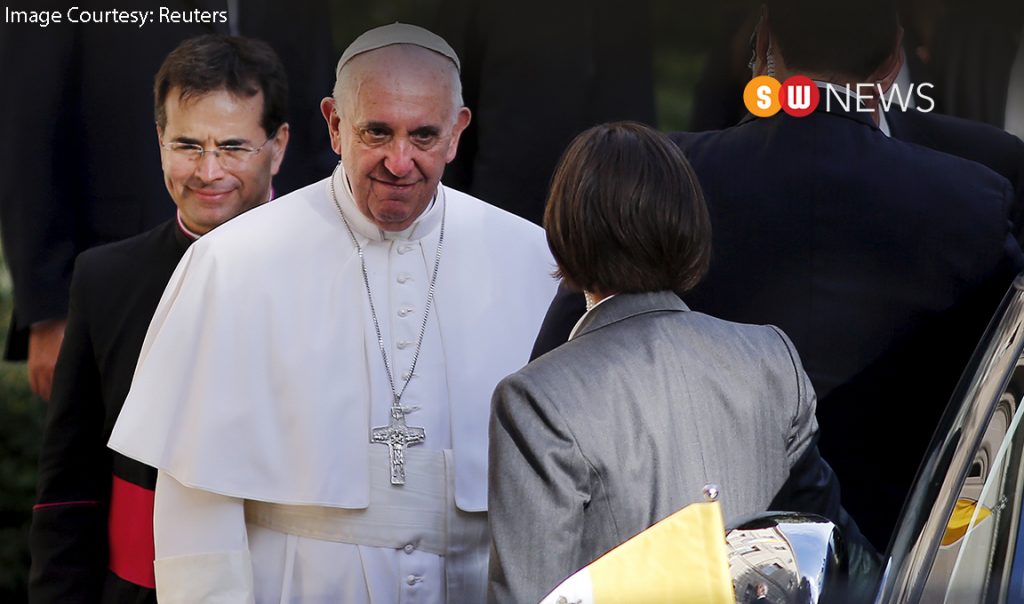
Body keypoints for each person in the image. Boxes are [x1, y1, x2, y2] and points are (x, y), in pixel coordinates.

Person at [531, 0, 1024, 549]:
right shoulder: (974, 198)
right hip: (911, 553)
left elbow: (564, 365)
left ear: (764, 45)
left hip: (688, 548)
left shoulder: (671, 180)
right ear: (892, 62)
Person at [108, 23, 557, 602]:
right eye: (377, 132)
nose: (400, 162)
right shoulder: (233, 262)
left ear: (457, 132)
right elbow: (196, 504)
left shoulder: (534, 260)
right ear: (335, 125)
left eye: (424, 135)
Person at [488, 122, 872, 604]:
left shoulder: (536, 399)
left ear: (566, 230)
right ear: (687, 223)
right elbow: (830, 540)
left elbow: (529, 594)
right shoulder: (772, 357)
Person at [27, 34, 290, 603]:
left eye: (234, 147)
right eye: (188, 145)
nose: (208, 171)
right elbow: (68, 489)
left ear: (278, 145)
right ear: (159, 140)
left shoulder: (333, 272)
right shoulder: (104, 278)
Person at [0, 0, 335, 402]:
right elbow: (26, 125)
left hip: (285, 283)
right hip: (127, 274)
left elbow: (315, 108)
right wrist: (48, 309)